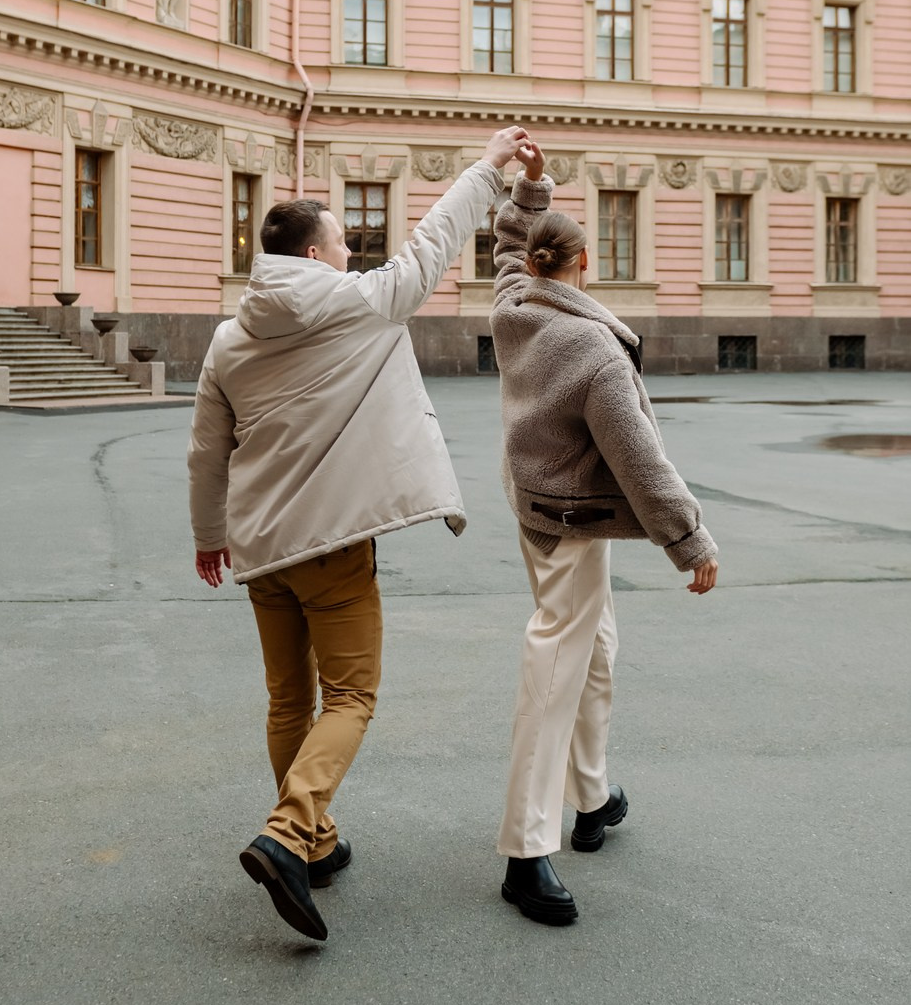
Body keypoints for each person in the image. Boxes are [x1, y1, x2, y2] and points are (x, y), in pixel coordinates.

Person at [189, 126, 532, 943]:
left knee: (287, 698)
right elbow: (432, 245)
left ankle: (316, 841)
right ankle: (286, 831)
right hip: (334, 545)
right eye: (342, 242)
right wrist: (487, 169)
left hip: (260, 548)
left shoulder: (229, 336)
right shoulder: (355, 304)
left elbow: (208, 447)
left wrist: (210, 536)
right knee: (350, 696)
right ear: (312, 253)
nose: (352, 254)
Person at [490, 133, 719, 927]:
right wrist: (688, 540)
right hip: (573, 521)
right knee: (556, 661)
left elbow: (506, 249)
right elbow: (640, 460)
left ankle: (590, 797)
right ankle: (526, 851)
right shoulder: (592, 349)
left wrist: (530, 188)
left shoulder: (514, 303)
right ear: (585, 265)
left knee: (597, 647)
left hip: (534, 504)